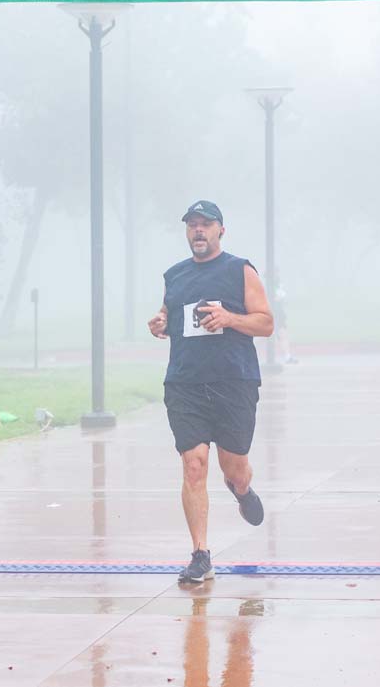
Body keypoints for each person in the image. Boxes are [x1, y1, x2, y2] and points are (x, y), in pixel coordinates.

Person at [148, 200, 274, 583]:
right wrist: (160, 323)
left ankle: (242, 490)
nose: (198, 231)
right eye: (192, 225)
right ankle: (200, 554)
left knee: (233, 469)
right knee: (194, 464)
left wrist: (231, 318)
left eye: (206, 224)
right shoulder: (175, 276)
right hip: (185, 383)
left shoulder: (240, 270)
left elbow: (266, 323)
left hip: (233, 382)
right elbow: (172, 318)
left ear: (221, 230)